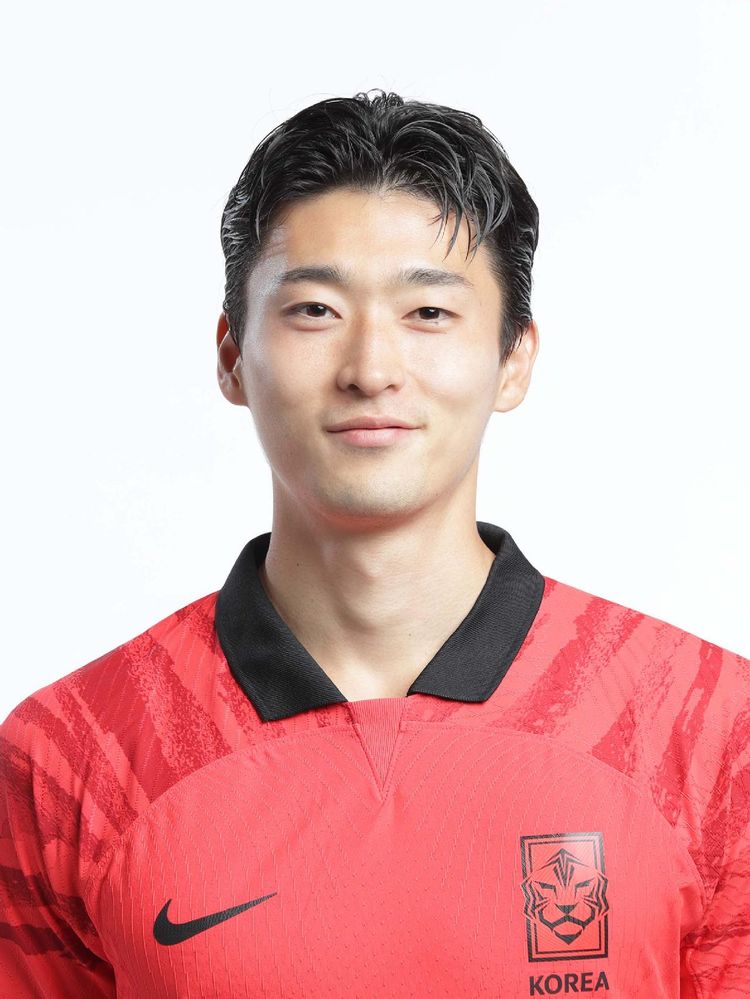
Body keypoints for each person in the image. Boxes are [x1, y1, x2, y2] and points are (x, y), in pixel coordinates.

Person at [0, 89, 747, 998]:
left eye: (427, 313)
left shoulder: (710, 728)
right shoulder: (70, 757)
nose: (371, 369)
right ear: (232, 354)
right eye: (315, 310)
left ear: (514, 358)